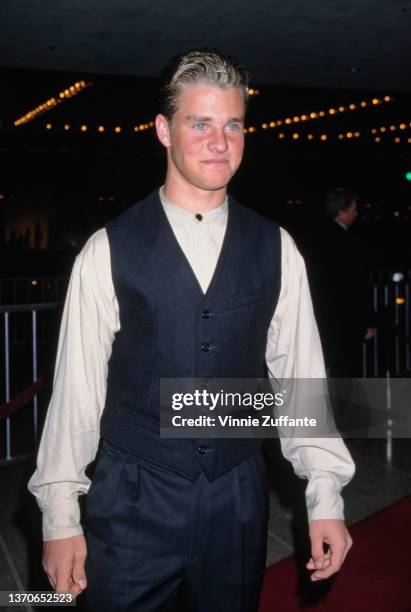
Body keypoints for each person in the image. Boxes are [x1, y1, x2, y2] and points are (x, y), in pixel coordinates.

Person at [29, 49, 355, 611]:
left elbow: (299, 380)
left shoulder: (277, 248)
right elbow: (76, 395)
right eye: (199, 123)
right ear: (163, 129)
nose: (219, 142)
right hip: (133, 501)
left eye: (233, 125)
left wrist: (325, 498)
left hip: (237, 501)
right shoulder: (108, 249)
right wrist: (60, 516)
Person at [307, 187, 375, 378]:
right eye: (353, 208)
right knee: (347, 374)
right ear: (342, 210)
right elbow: (356, 287)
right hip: (346, 323)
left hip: (322, 320)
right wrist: (366, 323)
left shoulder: (315, 240)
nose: (356, 212)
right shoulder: (348, 243)